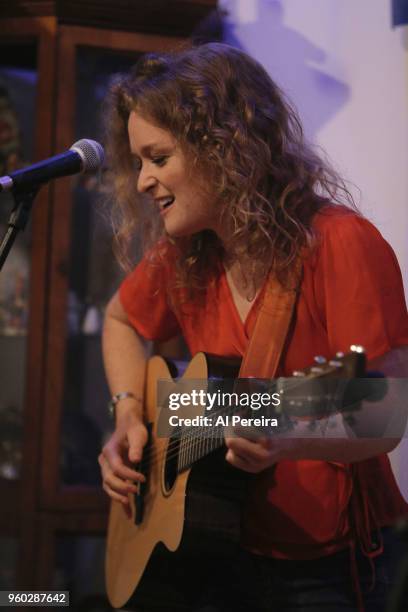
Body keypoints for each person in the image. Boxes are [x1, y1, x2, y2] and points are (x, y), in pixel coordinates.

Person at [98, 43, 408, 611]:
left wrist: (281, 433)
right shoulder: (186, 256)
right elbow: (119, 319)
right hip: (218, 553)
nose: (142, 181)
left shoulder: (340, 243)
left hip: (331, 569)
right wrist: (126, 412)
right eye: (138, 162)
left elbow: (386, 405)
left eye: (158, 158)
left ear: (224, 147)